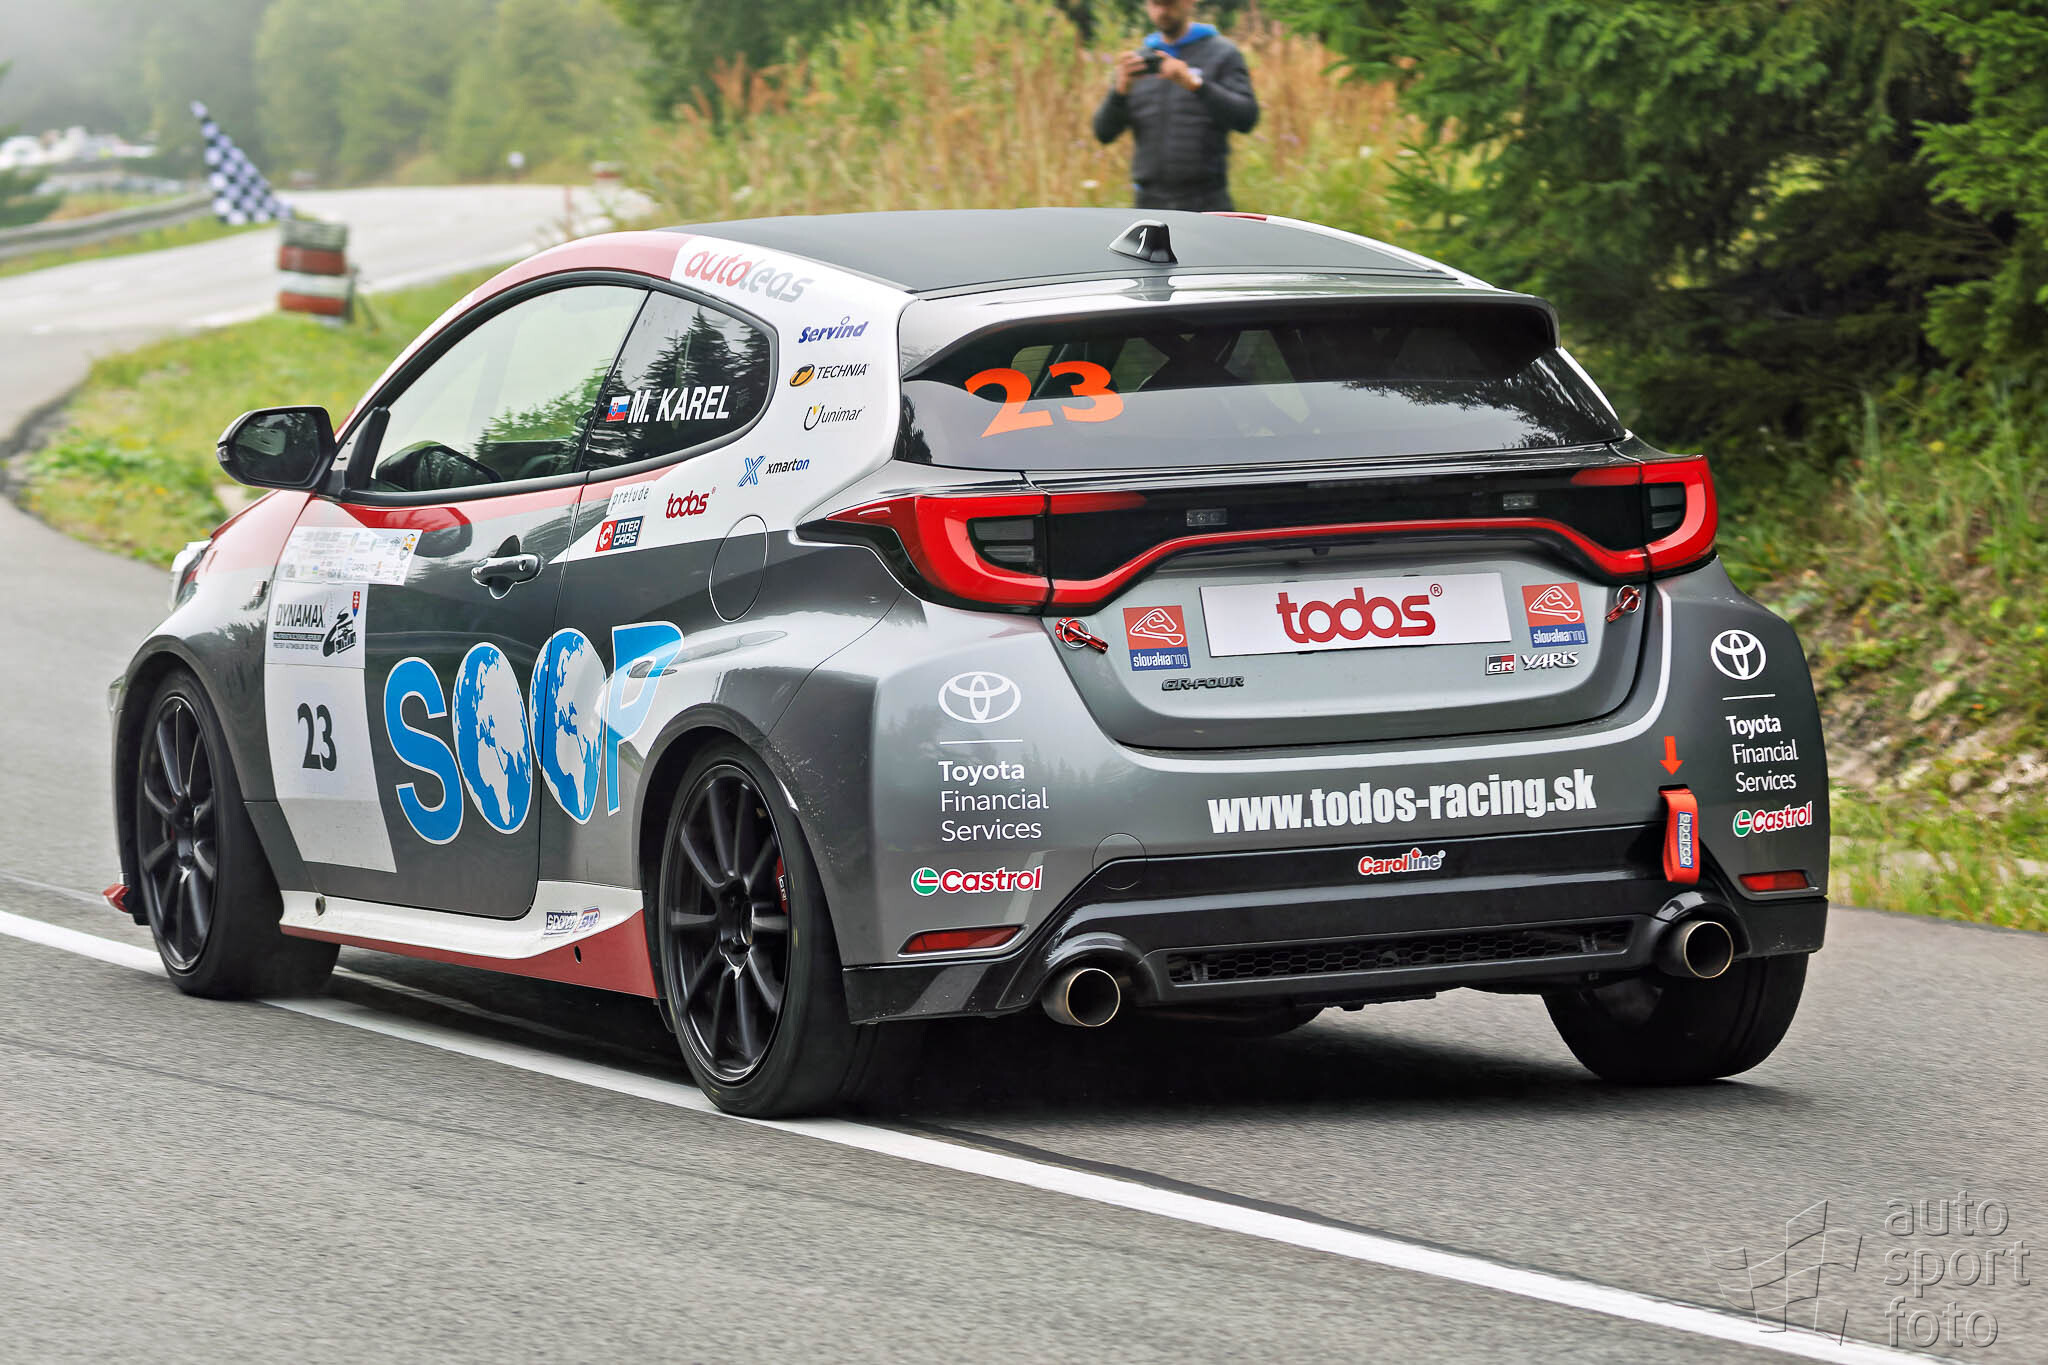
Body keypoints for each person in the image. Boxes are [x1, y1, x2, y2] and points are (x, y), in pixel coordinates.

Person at [1091, 0, 1259, 212]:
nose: (1162, 10)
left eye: (1169, 3)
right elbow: (1103, 133)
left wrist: (1195, 85)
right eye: (1156, 3)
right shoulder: (1139, 63)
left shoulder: (1223, 54)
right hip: (1149, 204)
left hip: (1206, 202)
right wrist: (1119, 91)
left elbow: (1246, 118)